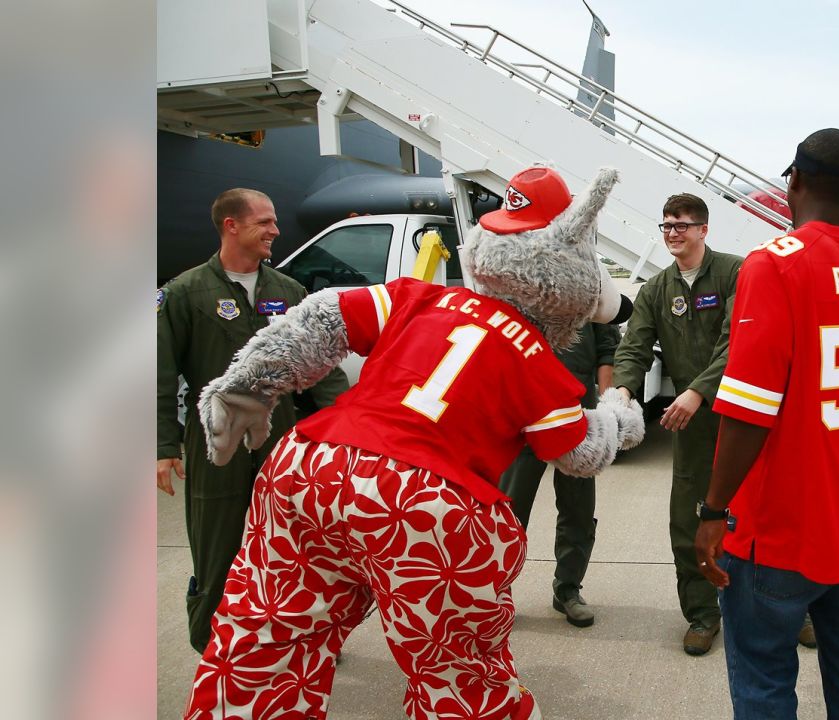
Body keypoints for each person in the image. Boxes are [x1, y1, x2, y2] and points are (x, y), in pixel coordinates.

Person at [182, 166, 644, 720]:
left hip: (310, 469)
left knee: (269, 637)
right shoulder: (538, 365)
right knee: (455, 674)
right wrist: (619, 417)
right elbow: (577, 451)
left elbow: (323, 318)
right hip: (423, 506)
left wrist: (251, 384)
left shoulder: (420, 298)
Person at [693, 128, 839, 719]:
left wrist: (715, 510)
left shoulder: (774, 265)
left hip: (781, 527)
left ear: (792, 180)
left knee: (765, 678)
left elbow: (747, 409)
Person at [156, 187, 349, 653]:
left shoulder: (289, 291)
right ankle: (213, 644)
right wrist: (162, 447)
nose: (275, 231)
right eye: (265, 222)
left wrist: (346, 427)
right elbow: (157, 374)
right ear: (232, 226)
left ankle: (299, 635)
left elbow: (323, 368)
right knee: (216, 544)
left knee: (292, 545)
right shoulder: (183, 294)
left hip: (279, 439)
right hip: (213, 443)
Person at [611, 193, 742, 656]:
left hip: (745, 414)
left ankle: (793, 611)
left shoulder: (734, 273)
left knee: (760, 515)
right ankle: (703, 615)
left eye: (681, 225)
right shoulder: (656, 290)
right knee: (689, 520)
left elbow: (740, 341)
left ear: (703, 229)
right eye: (666, 225)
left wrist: (697, 390)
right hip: (695, 428)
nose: (672, 233)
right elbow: (634, 348)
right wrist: (622, 392)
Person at [499, 321, 620, 627]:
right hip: (524, 418)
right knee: (508, 513)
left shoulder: (591, 286)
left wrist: (607, 409)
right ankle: (495, 594)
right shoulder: (522, 282)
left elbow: (607, 350)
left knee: (578, 510)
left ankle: (567, 589)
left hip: (577, 420)